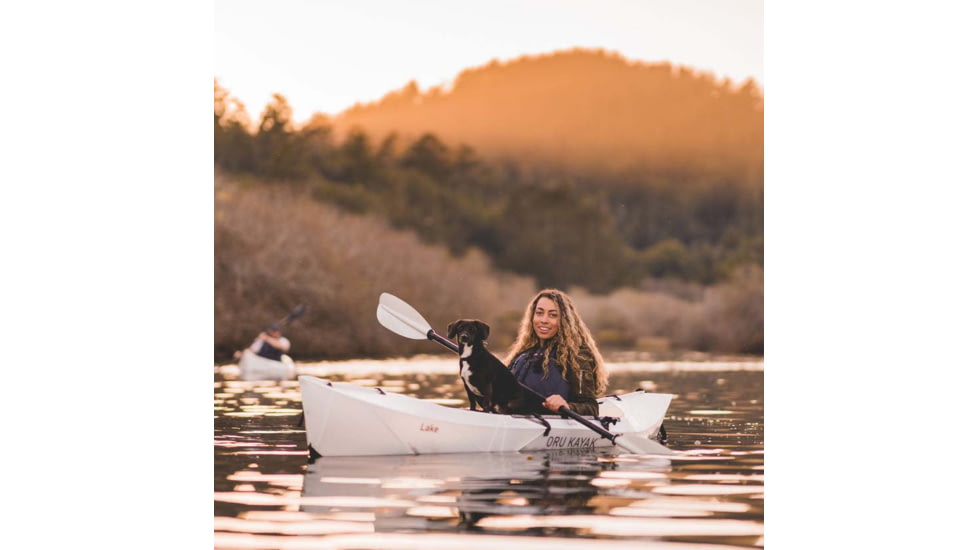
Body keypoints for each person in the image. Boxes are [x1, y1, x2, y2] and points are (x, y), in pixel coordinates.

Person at [503, 289, 608, 416]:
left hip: (553, 426)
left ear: (564, 321)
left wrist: (567, 406)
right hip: (515, 420)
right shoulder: (522, 354)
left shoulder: (579, 357)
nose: (544, 320)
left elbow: (590, 408)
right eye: (539, 313)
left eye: (553, 315)